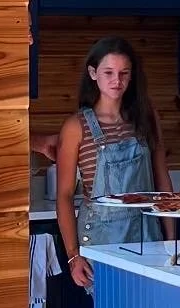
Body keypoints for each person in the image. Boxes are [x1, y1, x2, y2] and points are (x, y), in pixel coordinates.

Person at [54, 35, 173, 288]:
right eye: (108, 72)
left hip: (148, 236)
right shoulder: (77, 127)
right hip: (100, 241)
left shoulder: (146, 117)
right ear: (93, 73)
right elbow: (64, 196)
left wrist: (171, 241)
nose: (116, 80)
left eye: (124, 73)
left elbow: (163, 183)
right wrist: (73, 256)